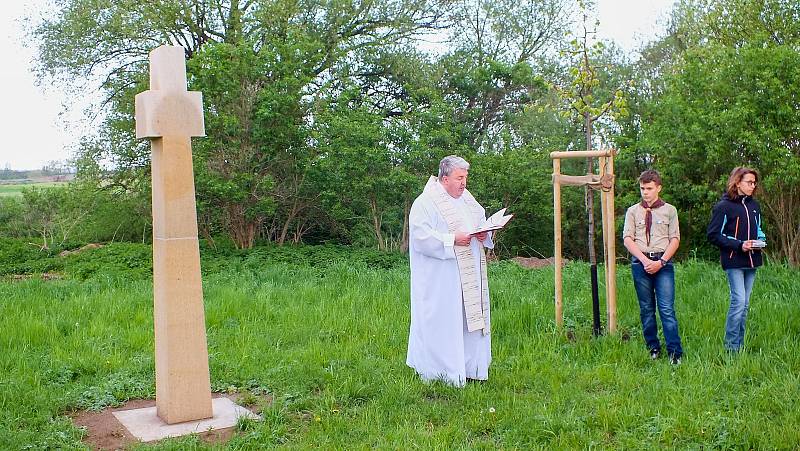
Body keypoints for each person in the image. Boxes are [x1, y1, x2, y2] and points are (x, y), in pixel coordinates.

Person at [406, 155, 493, 386]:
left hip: (469, 274)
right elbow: (420, 237)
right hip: (441, 279)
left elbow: (480, 221)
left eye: (466, 177)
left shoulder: (467, 200)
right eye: (459, 178)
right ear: (445, 178)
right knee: (445, 322)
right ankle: (441, 373)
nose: (464, 183)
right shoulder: (425, 203)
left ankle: (471, 368)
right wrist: (452, 239)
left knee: (468, 319)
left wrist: (484, 234)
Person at [622, 170, 683, 364]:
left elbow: (675, 239)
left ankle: (675, 353)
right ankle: (653, 348)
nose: (645, 192)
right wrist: (645, 261)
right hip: (641, 263)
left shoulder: (669, 210)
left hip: (663, 263)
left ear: (658, 188)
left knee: (666, 309)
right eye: (642, 188)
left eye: (649, 188)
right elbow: (627, 239)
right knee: (646, 308)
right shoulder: (633, 211)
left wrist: (661, 262)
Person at [707, 167, 766, 353]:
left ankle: (739, 345)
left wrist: (761, 241)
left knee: (745, 304)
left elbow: (759, 229)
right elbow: (713, 235)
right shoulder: (723, 207)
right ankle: (731, 349)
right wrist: (739, 245)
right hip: (734, 261)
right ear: (737, 182)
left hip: (753, 260)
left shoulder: (754, 206)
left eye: (754, 183)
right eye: (749, 182)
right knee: (738, 302)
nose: (753, 186)